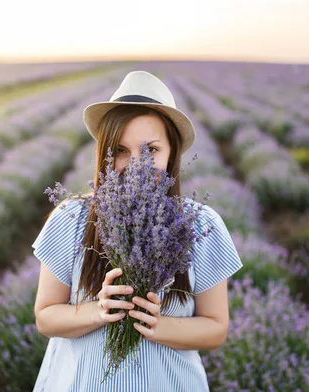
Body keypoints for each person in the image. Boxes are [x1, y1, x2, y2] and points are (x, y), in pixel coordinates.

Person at [31, 70, 243, 392]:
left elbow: (216, 329)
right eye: (120, 150)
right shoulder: (72, 218)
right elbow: (46, 317)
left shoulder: (201, 225)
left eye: (151, 150)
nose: (135, 164)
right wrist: (98, 311)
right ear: (104, 154)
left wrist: (158, 325)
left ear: (172, 153)